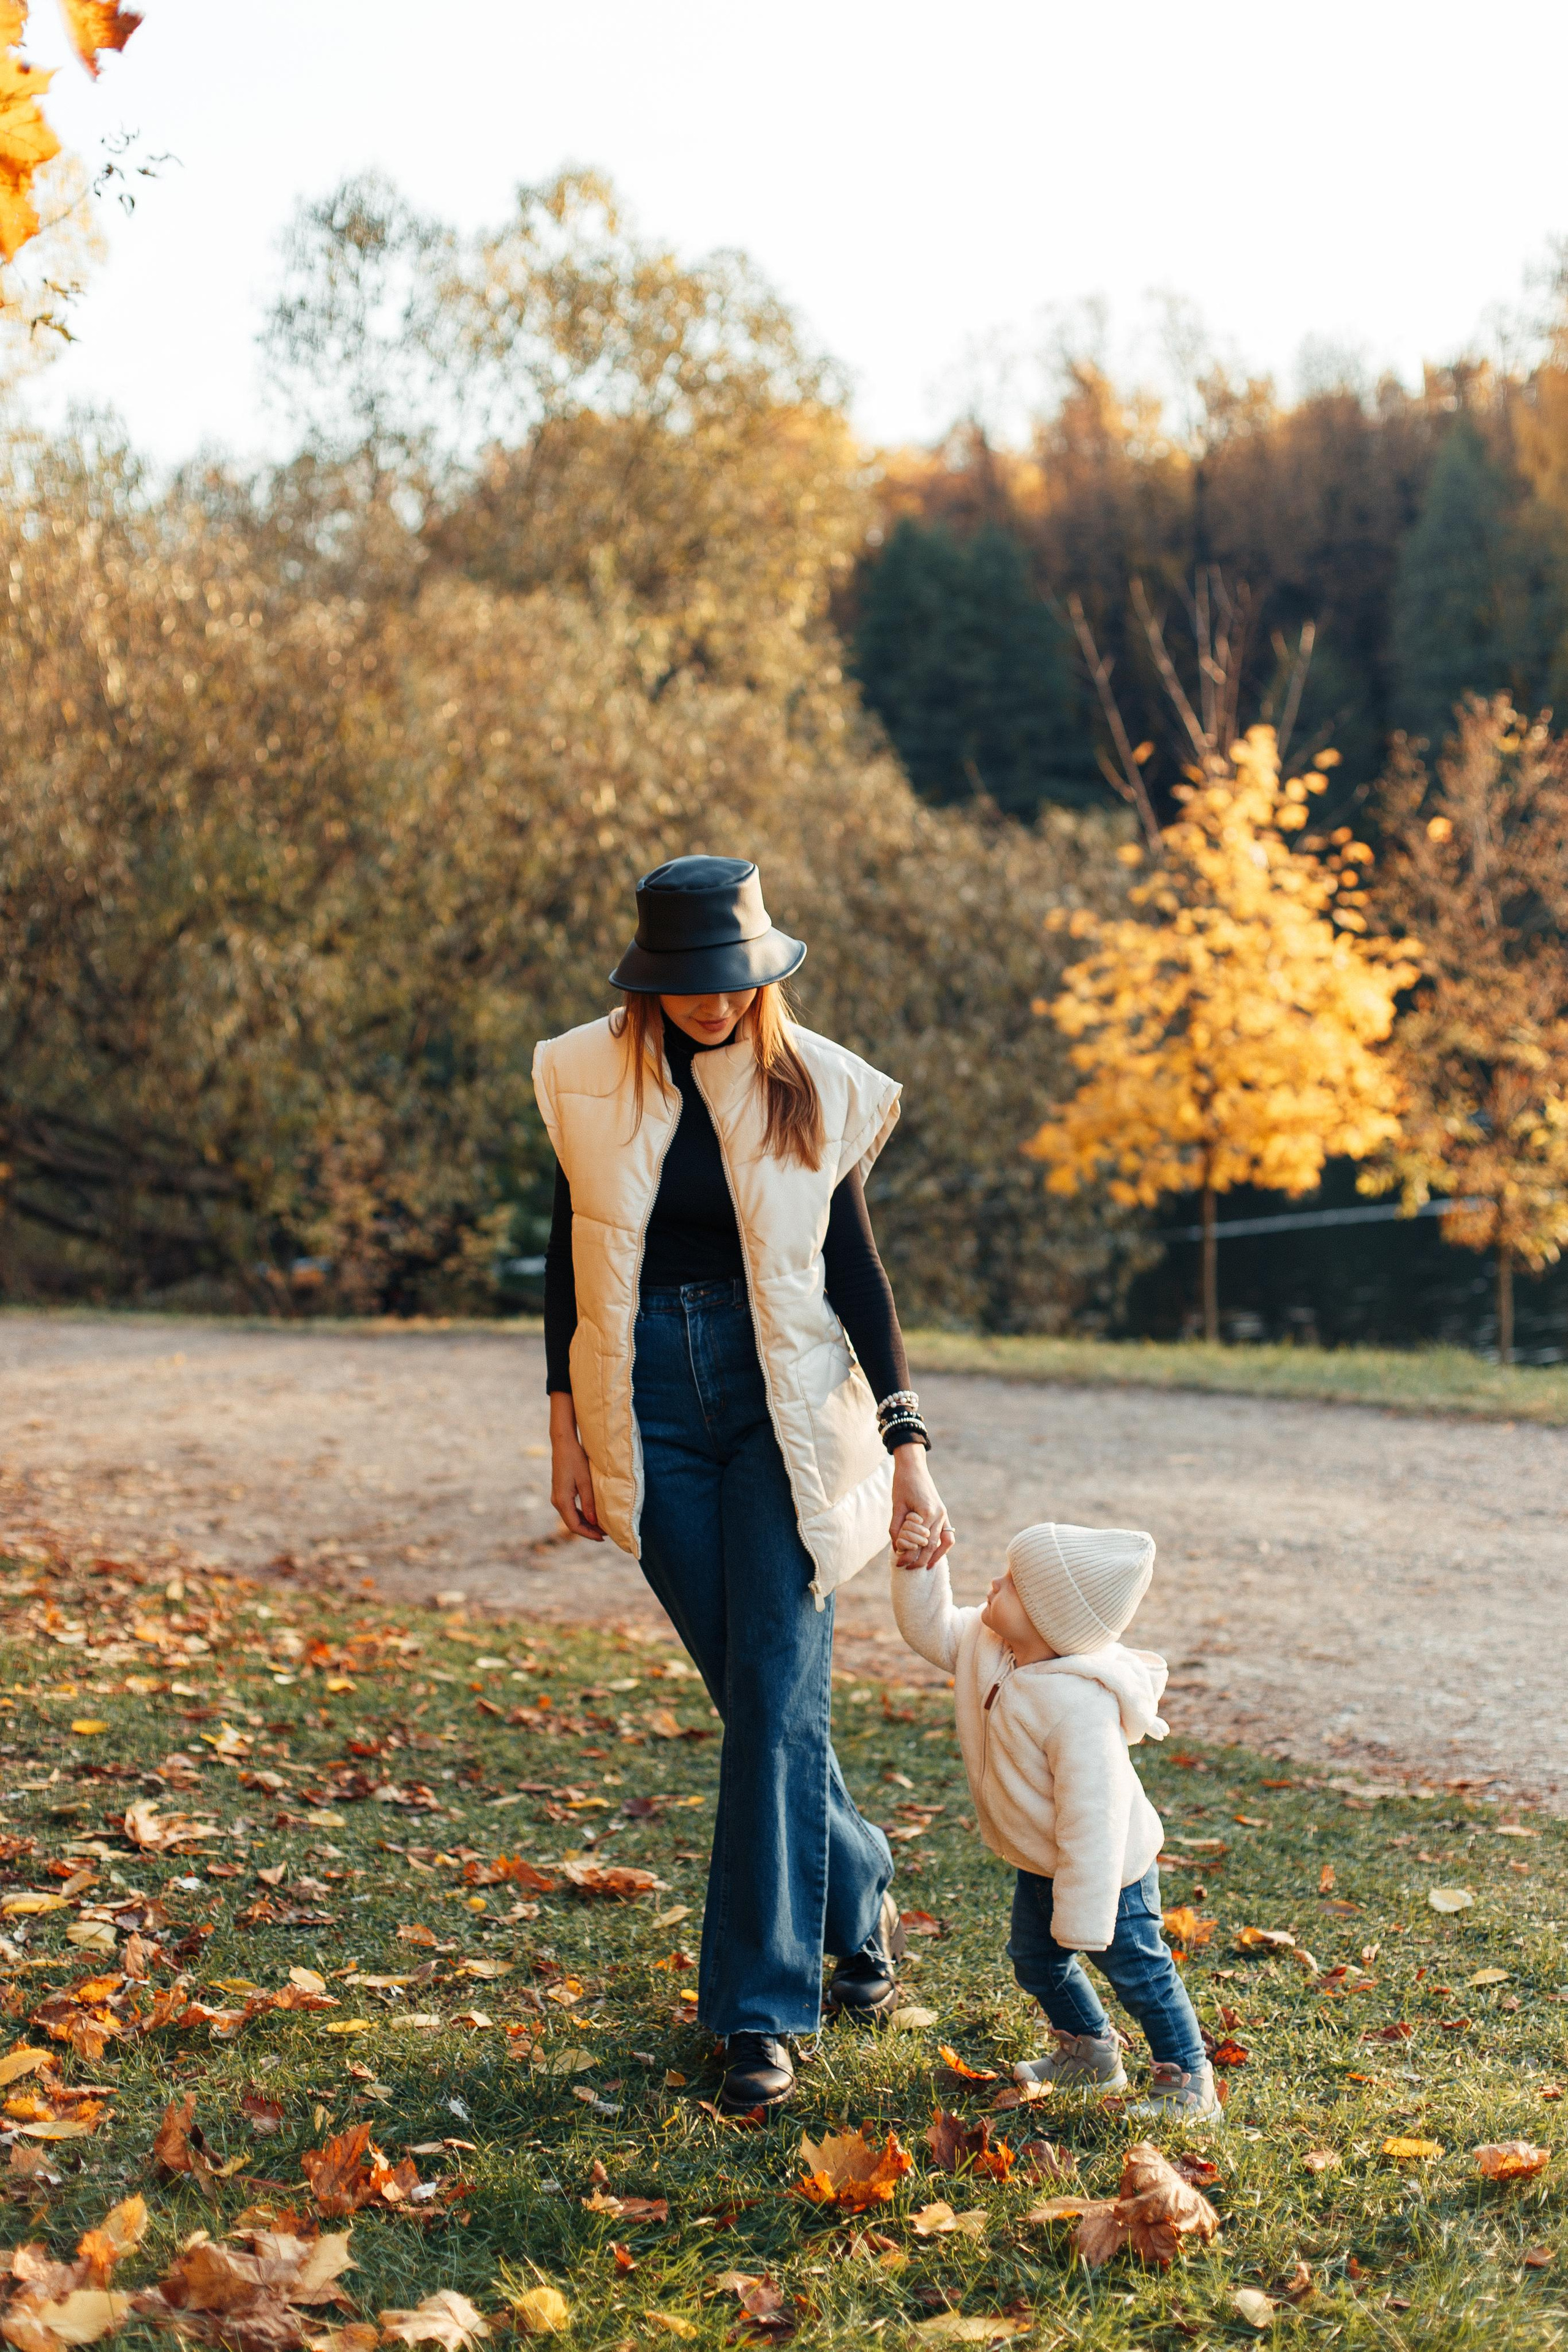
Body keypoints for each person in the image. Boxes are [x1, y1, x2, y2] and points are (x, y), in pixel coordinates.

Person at [533, 854, 953, 2113]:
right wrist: (562, 1426)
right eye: (692, 984)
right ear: (653, 979)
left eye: (734, 980)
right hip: (647, 1401)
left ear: (761, 971)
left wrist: (907, 1446)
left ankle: (756, 2017)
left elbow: (860, 1277)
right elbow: (569, 1252)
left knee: (772, 1704)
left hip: (787, 1414)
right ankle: (858, 1880)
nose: (715, 1004)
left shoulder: (816, 1085)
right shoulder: (583, 1079)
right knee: (756, 1703)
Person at [889, 1513, 1219, 2119]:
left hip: (1105, 1870)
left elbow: (1096, 1818)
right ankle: (1090, 2054)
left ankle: (1189, 2081)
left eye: (1012, 1582)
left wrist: (1085, 1915)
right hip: (1045, 1857)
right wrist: (919, 1567)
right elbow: (931, 1629)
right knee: (1035, 1960)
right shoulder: (995, 1648)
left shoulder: (1079, 1707)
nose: (993, 1583)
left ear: (1050, 1619)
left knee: (1139, 1972)